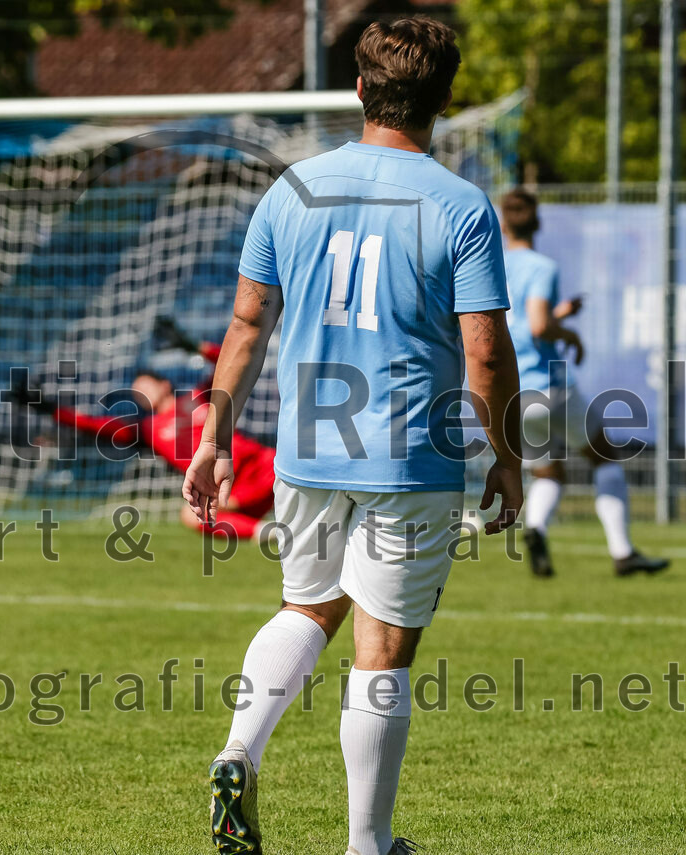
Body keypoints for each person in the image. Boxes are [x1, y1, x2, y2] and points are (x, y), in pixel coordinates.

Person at [182, 17, 523, 855]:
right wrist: (507, 458)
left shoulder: (291, 189)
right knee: (383, 648)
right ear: (444, 100)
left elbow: (247, 323)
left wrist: (213, 437)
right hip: (408, 454)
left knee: (307, 606)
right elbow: (483, 349)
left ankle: (238, 750)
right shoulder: (459, 204)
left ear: (362, 90)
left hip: (306, 445)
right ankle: (368, 845)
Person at [500, 188, 669, 578]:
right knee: (604, 456)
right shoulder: (541, 266)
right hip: (550, 385)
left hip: (513, 393)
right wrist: (571, 334)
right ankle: (624, 552)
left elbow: (522, 323)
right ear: (537, 222)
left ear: (504, 225)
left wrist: (559, 314)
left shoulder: (495, 267)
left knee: (547, 472)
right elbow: (540, 326)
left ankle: (538, 529)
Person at [15, 316, 276, 541]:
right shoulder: (148, 429)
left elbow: (229, 365)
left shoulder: (199, 396)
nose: (139, 391)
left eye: (145, 384)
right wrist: (50, 409)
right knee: (193, 516)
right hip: (231, 490)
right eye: (136, 388)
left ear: (163, 384)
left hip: (263, 467)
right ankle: (269, 533)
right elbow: (96, 427)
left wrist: (193, 346)